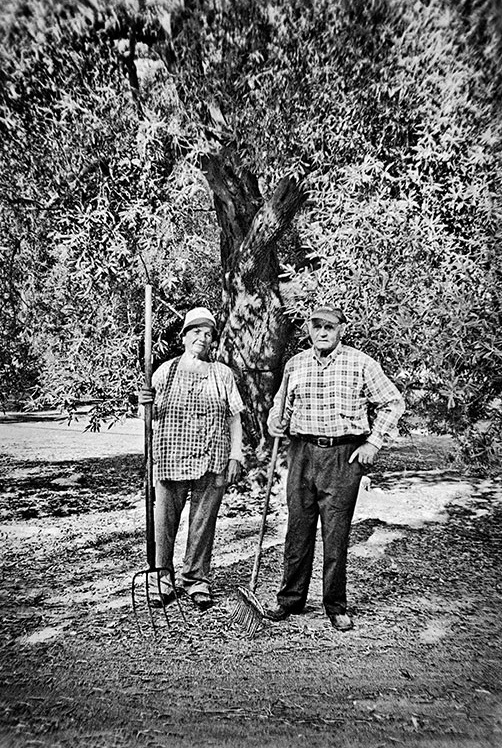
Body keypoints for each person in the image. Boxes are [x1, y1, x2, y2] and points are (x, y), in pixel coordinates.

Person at [265, 304, 405, 631]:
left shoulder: (361, 363)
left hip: (343, 454)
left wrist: (373, 442)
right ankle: (290, 600)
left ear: (342, 328)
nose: (323, 333)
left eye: (330, 327)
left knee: (336, 533)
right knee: (298, 530)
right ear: (309, 330)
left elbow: (392, 401)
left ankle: (335, 605)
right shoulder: (295, 364)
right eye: (317, 327)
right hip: (301, 452)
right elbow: (280, 407)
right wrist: (275, 423)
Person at [139, 307, 245, 611]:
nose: (203, 337)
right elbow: (149, 417)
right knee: (164, 523)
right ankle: (161, 579)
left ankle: (195, 579)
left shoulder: (222, 374)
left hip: (212, 459)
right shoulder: (165, 371)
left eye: (208, 333)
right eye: (196, 331)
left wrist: (235, 456)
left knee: (203, 524)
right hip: (171, 458)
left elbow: (235, 420)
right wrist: (145, 403)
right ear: (184, 336)